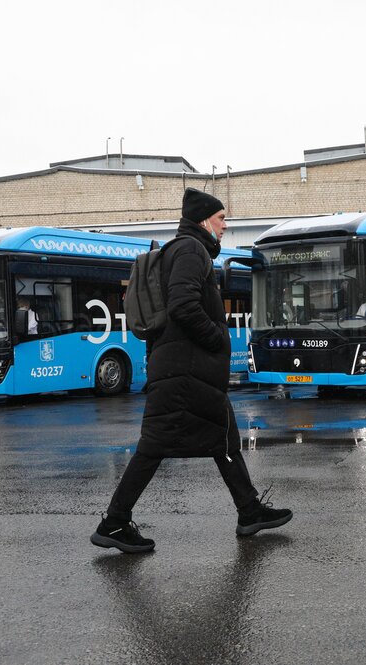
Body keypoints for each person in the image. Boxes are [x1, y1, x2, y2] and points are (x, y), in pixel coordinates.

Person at [91, 188, 292, 554]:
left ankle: (249, 512)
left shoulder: (186, 249)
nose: (226, 226)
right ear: (203, 220)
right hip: (184, 372)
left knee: (224, 436)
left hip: (187, 371)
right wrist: (216, 337)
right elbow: (184, 305)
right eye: (221, 219)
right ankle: (115, 523)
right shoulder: (189, 249)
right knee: (154, 446)